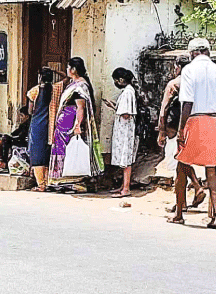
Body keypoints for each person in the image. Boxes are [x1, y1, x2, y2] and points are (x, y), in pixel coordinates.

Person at [169, 38, 216, 228]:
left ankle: (179, 214)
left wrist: (182, 129)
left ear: (192, 53)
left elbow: (187, 102)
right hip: (214, 121)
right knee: (211, 170)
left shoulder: (189, 70)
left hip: (195, 120)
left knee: (182, 167)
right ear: (208, 52)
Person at [157, 55, 206, 213]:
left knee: (179, 164)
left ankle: (188, 196)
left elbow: (164, 109)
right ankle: (184, 199)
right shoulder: (197, 84)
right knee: (182, 163)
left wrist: (161, 131)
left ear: (177, 67)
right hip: (194, 126)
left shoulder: (174, 84)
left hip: (175, 129)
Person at [48, 57, 104, 188]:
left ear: (74, 69)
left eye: (68, 67)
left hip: (70, 122)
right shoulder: (74, 83)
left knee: (69, 149)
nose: (67, 70)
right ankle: (61, 178)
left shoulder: (80, 86)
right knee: (62, 147)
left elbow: (81, 107)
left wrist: (78, 125)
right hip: (64, 123)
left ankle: (71, 179)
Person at [103, 68, 138, 198]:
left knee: (125, 158)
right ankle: (123, 185)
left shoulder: (128, 92)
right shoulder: (127, 92)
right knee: (123, 157)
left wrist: (118, 110)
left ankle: (126, 188)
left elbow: (126, 113)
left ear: (121, 80)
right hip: (123, 128)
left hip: (125, 129)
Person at [27, 67, 54, 191]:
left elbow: (30, 110)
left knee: (37, 153)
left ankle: (41, 184)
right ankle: (48, 181)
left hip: (38, 123)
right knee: (47, 151)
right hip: (51, 123)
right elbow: (65, 77)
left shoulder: (34, 91)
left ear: (40, 77)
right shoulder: (55, 89)